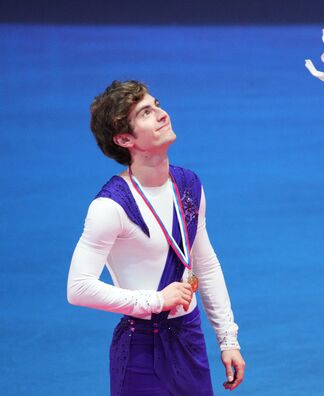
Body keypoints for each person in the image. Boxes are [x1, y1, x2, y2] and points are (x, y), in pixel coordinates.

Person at [67, 80, 245, 396]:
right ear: (124, 139)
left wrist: (227, 339)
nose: (162, 114)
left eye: (157, 104)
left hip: (190, 341)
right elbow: (78, 288)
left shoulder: (189, 184)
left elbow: (205, 262)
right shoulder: (109, 207)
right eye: (146, 112)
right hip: (140, 350)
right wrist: (155, 300)